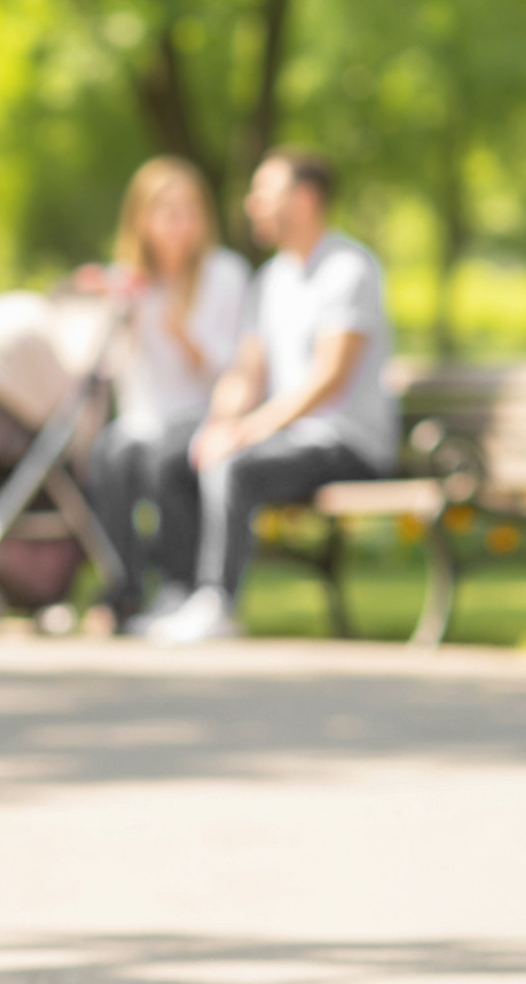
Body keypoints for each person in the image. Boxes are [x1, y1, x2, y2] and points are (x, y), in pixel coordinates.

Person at [146, 148, 398, 645]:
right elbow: (247, 371)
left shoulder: (349, 269)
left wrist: (251, 430)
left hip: (347, 443)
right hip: (292, 440)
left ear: (304, 200)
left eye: (265, 192)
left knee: (234, 464)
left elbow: (330, 378)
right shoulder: (271, 280)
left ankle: (218, 601)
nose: (252, 203)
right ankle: (179, 594)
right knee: (178, 457)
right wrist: (221, 422)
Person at [78, 158, 249, 631]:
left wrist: (176, 323)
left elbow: (230, 367)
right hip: (143, 415)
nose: (179, 223)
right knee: (106, 459)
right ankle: (124, 588)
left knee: (164, 457)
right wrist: (110, 310)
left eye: (189, 210)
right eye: (166, 211)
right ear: (142, 218)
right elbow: (110, 368)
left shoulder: (225, 274)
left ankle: (180, 584)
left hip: (202, 411)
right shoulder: (130, 278)